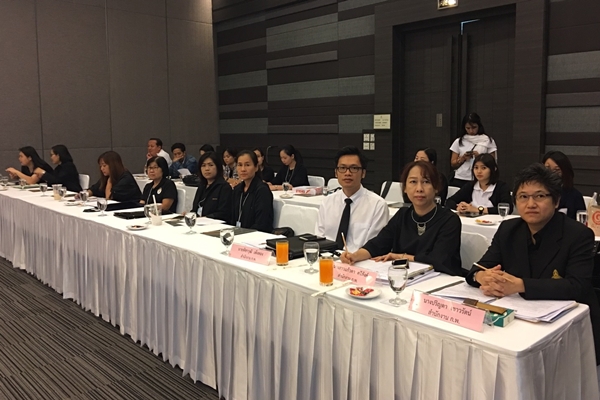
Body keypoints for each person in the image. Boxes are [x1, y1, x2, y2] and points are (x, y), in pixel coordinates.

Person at [465, 163, 600, 363]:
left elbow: (577, 286)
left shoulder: (578, 234)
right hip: (520, 320)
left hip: (566, 327)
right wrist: (482, 276)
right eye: (523, 197)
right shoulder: (508, 229)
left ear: (556, 201)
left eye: (539, 196)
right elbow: (479, 267)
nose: (531, 204)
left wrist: (520, 285)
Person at [341, 161, 463, 276]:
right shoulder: (403, 215)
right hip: (405, 278)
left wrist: (400, 256)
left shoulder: (449, 220)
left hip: (440, 280)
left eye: (426, 182)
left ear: (436, 187)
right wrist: (354, 256)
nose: (419, 189)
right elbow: (378, 244)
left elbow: (438, 259)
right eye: (413, 182)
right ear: (405, 187)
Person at [316, 146, 388, 252]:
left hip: (360, 259)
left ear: (363, 173)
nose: (347, 173)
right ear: (336, 173)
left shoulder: (377, 205)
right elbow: (319, 238)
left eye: (354, 168)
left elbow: (374, 246)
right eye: (342, 168)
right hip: (328, 257)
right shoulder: (327, 202)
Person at [446, 153, 512, 215]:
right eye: (476, 168)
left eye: (483, 168)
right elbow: (450, 201)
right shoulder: (470, 186)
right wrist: (459, 207)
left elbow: (507, 208)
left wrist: (477, 210)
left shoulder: (501, 187)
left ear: (493, 169)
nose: (479, 171)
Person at [449, 113, 497, 188]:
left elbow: (493, 162)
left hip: (480, 177)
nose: (471, 131)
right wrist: (462, 158)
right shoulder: (459, 141)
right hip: (461, 177)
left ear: (479, 126)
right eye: (468, 128)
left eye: (474, 127)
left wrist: (480, 157)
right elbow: (453, 164)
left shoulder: (487, 140)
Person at [231, 150, 274, 233]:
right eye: (240, 165)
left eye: (247, 165)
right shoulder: (237, 189)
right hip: (237, 233)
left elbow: (262, 224)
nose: (243, 169)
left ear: (256, 167)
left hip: (256, 235)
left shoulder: (262, 190)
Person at [542, 150, 586, 219]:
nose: (550, 173)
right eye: (547, 168)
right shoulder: (536, 194)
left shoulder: (575, 196)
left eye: (556, 170)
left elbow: (580, 222)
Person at [191, 151, 232, 222]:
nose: (207, 169)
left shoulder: (224, 187)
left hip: (215, 224)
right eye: (203, 165)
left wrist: (204, 218)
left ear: (218, 167)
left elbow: (223, 213)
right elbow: (195, 209)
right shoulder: (201, 186)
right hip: (199, 223)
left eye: (211, 165)